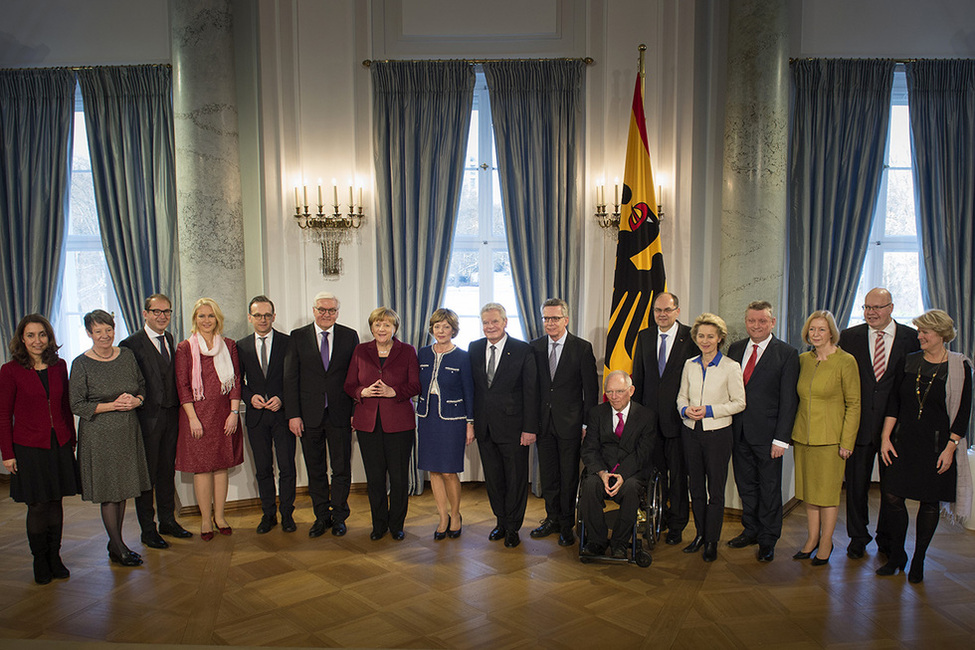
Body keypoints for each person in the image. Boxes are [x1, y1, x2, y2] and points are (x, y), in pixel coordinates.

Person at [878, 310, 972, 583]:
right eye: (919, 331)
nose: (919, 336)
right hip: (903, 442)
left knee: (929, 503)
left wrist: (951, 448)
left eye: (924, 332)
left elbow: (964, 412)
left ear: (941, 334)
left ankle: (918, 559)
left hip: (937, 446)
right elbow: (893, 404)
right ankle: (897, 555)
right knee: (893, 497)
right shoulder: (908, 362)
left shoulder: (959, 366)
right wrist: (885, 438)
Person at [838, 287, 919, 559]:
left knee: (891, 490)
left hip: (895, 430)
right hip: (858, 426)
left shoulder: (911, 338)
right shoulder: (849, 337)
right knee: (855, 486)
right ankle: (858, 537)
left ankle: (887, 538)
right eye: (867, 307)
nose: (871, 313)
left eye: (877, 307)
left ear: (891, 308)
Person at [1, 315, 81, 584]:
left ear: (49, 337)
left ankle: (55, 557)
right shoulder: (10, 370)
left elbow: (65, 406)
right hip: (28, 447)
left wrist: (71, 439)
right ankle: (40, 559)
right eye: (31, 335)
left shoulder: (59, 366)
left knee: (56, 501)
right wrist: (7, 453)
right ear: (22, 339)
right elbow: (3, 414)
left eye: (42, 334)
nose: (37, 340)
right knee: (37, 505)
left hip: (58, 443)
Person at [69, 310, 152, 567]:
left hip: (127, 430)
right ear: (88, 333)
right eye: (98, 331)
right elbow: (76, 404)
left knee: (123, 487)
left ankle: (114, 544)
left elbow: (141, 385)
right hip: (99, 434)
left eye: (108, 330)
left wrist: (136, 400)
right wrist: (112, 405)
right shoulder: (80, 363)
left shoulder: (126, 355)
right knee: (109, 492)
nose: (104, 335)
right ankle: (119, 547)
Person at [726, 301, 799, 562]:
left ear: (772, 322)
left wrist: (782, 438)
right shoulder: (735, 349)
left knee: (769, 489)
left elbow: (789, 400)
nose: (756, 326)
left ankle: (768, 539)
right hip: (738, 432)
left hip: (770, 437)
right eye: (751, 321)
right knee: (746, 486)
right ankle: (751, 529)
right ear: (746, 321)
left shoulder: (787, 353)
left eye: (762, 321)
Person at [119, 293, 193, 548]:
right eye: (157, 312)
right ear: (145, 314)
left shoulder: (170, 339)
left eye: (167, 312)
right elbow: (130, 383)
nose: (162, 316)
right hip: (146, 420)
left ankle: (168, 521)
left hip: (171, 417)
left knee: (166, 472)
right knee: (146, 477)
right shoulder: (130, 344)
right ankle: (147, 530)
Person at [284, 292, 359, 537]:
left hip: (340, 414)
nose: (327, 314)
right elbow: (290, 379)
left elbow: (357, 377)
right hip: (308, 416)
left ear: (338, 312)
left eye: (332, 310)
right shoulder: (297, 337)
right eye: (322, 309)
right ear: (314, 310)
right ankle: (321, 517)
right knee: (315, 469)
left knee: (341, 469)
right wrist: (293, 415)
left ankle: (339, 516)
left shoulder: (350, 336)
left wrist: (355, 411)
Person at [791, 310, 860, 565]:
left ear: (831, 332)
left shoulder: (846, 361)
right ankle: (811, 539)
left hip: (832, 440)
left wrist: (846, 442)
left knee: (828, 494)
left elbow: (854, 404)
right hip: (803, 436)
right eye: (812, 329)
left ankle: (826, 542)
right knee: (809, 493)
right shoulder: (802, 360)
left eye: (821, 329)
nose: (816, 334)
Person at [344, 307, 420, 540]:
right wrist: (363, 391)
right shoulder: (360, 350)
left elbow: (416, 385)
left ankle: (396, 524)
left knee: (398, 478)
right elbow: (349, 385)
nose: (381, 329)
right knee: (375, 478)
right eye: (377, 324)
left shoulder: (407, 351)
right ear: (372, 328)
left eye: (386, 325)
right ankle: (379, 525)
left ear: (394, 328)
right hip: (368, 424)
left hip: (399, 424)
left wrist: (393, 392)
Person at [676, 313, 746, 562]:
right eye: (701, 336)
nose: (705, 341)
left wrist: (709, 411)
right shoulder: (689, 364)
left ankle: (712, 541)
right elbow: (681, 397)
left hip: (718, 435)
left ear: (719, 338)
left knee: (715, 491)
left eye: (710, 336)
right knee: (695, 487)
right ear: (696, 338)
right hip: (691, 432)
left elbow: (739, 403)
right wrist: (685, 410)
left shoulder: (731, 367)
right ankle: (699, 535)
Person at [529, 298, 599, 547]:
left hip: (571, 425)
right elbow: (532, 389)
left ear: (566, 320)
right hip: (543, 425)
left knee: (568, 476)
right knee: (548, 476)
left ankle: (567, 525)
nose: (550, 323)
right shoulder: (534, 347)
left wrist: (586, 426)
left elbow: (590, 391)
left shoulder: (581, 348)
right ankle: (552, 519)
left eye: (555, 318)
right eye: (546, 318)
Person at [632, 292, 699, 545]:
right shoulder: (644, 336)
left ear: (677, 311)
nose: (662, 314)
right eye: (658, 310)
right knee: (652, 474)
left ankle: (677, 524)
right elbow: (638, 377)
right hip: (649, 423)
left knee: (679, 476)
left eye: (667, 310)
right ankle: (655, 518)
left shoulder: (691, 338)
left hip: (679, 421)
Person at [469, 302, 539, 548]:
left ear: (505, 322)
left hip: (515, 428)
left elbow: (531, 392)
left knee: (516, 479)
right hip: (485, 427)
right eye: (486, 322)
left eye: (494, 321)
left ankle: (513, 527)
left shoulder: (522, 350)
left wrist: (530, 428)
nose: (490, 326)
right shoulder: (474, 348)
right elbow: (475, 390)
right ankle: (500, 522)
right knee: (494, 479)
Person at [174, 298, 243, 541]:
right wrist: (192, 418)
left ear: (217, 319)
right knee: (201, 470)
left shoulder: (230, 345)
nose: (206, 320)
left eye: (210, 316)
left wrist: (234, 413)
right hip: (196, 417)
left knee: (221, 466)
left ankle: (220, 516)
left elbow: (235, 381)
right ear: (195, 320)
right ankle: (205, 519)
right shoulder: (184, 348)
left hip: (224, 416)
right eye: (201, 316)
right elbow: (182, 386)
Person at [579, 370, 655, 558]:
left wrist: (622, 473)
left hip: (631, 473)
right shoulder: (597, 413)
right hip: (602, 470)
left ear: (631, 390)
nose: (614, 397)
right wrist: (602, 473)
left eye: (619, 391)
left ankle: (620, 543)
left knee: (631, 489)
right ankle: (596, 541)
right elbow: (589, 449)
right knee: (589, 485)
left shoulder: (646, 416)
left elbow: (643, 453)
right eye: (609, 392)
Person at [237, 295, 296, 534]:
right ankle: (268, 514)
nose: (263, 319)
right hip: (256, 416)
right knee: (263, 469)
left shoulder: (288, 342)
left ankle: (288, 515)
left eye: (267, 315)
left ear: (274, 316)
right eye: (258, 315)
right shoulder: (240, 346)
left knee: (287, 467)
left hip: (282, 414)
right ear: (250, 317)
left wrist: (281, 397)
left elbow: (293, 377)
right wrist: (250, 397)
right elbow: (237, 382)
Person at [416, 308, 475, 540]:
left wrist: (470, 424)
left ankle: (456, 515)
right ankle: (442, 517)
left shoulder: (462, 356)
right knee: (434, 470)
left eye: (446, 326)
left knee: (450, 471)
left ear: (453, 329)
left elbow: (470, 392)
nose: (441, 331)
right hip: (427, 417)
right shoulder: (422, 353)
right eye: (437, 326)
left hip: (453, 419)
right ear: (432, 328)